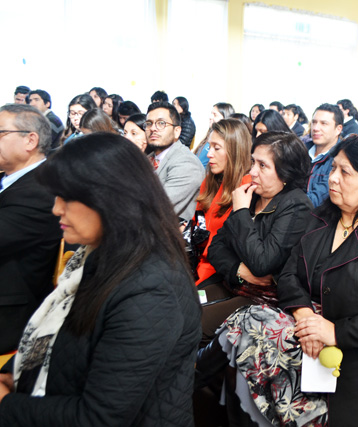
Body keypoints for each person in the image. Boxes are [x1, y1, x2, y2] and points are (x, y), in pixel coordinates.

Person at [204, 135, 358, 426]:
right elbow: (289, 275)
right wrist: (305, 315)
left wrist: (334, 332)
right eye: (333, 168)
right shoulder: (321, 218)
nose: (333, 178)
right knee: (246, 329)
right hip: (307, 333)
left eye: (345, 172)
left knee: (246, 327)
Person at [0, 132, 201, 426]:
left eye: (67, 198)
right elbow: (61, 342)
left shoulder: (150, 290)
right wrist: (16, 375)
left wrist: (6, 404)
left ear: (111, 199)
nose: (56, 208)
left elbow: (100, 417)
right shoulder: (99, 255)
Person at [199, 131, 312, 342]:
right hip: (233, 282)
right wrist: (239, 270)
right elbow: (216, 247)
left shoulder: (297, 205)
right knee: (181, 303)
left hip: (263, 298)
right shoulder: (252, 195)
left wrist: (241, 212)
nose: (252, 172)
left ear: (285, 173)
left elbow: (262, 263)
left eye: (262, 165)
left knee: (195, 322)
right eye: (253, 162)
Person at [0, 104, 61, 355]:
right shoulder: (11, 179)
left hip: (9, 320)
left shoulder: (40, 190)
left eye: (1, 133)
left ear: (30, 140)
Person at [193, 119, 252, 286]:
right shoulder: (210, 181)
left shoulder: (247, 187)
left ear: (234, 151)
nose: (209, 154)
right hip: (197, 262)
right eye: (209, 147)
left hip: (220, 272)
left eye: (216, 148)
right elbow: (198, 223)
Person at [146, 102, 205, 222]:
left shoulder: (186, 163)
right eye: (149, 123)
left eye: (161, 123)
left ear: (177, 131)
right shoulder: (150, 158)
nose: (152, 128)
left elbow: (155, 206)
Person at [306, 103, 343, 207]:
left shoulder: (341, 159)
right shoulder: (300, 151)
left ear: (338, 129)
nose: (316, 128)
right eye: (314, 122)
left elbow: (317, 199)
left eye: (324, 123)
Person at [194, 102, 235, 168]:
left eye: (215, 115)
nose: (210, 117)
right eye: (211, 114)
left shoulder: (226, 140)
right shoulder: (208, 137)